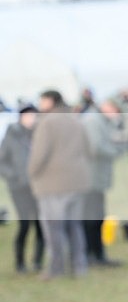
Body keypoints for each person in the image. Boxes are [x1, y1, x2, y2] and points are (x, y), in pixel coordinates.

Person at [28, 90, 91, 279]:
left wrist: (31, 172)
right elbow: (88, 148)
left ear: (50, 101)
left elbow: (39, 155)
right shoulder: (76, 120)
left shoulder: (46, 123)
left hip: (53, 183)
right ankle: (79, 266)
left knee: (53, 228)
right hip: (77, 181)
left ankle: (56, 268)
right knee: (75, 226)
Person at [0, 105, 44, 273]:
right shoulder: (12, 135)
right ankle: (20, 263)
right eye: (28, 116)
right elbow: (2, 162)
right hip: (19, 188)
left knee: (41, 224)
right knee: (24, 224)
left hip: (38, 186)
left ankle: (38, 261)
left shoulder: (39, 135)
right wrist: (15, 176)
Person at [82, 100, 125, 266]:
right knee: (92, 219)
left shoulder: (102, 121)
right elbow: (95, 147)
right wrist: (115, 152)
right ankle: (93, 255)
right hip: (91, 179)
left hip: (96, 179)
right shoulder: (93, 121)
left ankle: (97, 254)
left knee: (97, 217)